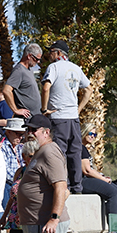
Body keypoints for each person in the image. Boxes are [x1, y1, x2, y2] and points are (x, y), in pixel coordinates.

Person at [40, 40, 91, 193]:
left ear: (59, 53)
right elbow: (88, 89)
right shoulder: (75, 68)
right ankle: (77, 187)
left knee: (59, 152)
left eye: (51, 51)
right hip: (73, 118)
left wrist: (44, 109)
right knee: (75, 152)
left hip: (58, 117)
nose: (49, 55)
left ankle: (63, 186)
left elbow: (46, 87)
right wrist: (78, 109)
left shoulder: (54, 67)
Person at [79, 125, 117, 216]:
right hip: (81, 181)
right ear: (84, 132)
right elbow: (87, 170)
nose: (92, 136)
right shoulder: (80, 148)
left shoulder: (84, 148)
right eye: (90, 133)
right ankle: (114, 227)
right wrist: (103, 179)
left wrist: (102, 176)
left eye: (94, 135)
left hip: (87, 179)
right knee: (113, 193)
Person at [3, 43, 42, 118]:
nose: (38, 62)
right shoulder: (19, 71)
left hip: (35, 117)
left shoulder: (29, 70)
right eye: (37, 59)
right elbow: (6, 90)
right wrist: (16, 110)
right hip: (26, 119)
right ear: (29, 56)